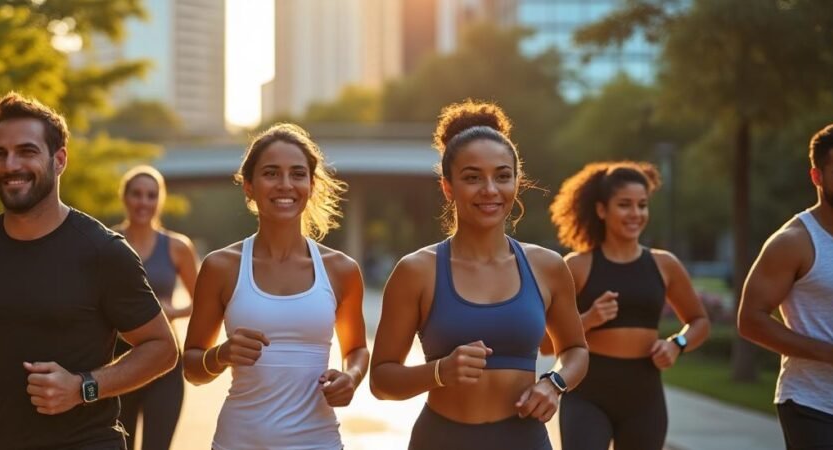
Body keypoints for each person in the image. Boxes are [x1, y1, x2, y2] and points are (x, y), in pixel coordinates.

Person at [0, 92, 178, 449]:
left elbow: (162, 348)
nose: (10, 165)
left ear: (59, 159)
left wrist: (84, 388)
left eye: (27, 151)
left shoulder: (103, 252)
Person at [368, 101, 588, 450]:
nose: (490, 190)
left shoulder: (547, 266)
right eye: (472, 177)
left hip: (524, 441)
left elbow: (575, 349)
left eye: (502, 176)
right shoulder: (416, 271)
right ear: (448, 188)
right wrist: (440, 372)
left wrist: (554, 382)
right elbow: (381, 381)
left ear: (517, 181)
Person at [181, 123, 369, 450]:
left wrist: (350, 377)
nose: (285, 185)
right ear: (249, 187)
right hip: (238, 441)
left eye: (297, 174)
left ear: (311, 185)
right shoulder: (220, 267)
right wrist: (221, 355)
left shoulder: (341, 270)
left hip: (318, 442)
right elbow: (193, 367)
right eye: (271, 173)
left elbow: (356, 350)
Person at [547, 161, 710, 450]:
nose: (635, 214)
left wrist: (677, 343)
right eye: (624, 205)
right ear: (601, 210)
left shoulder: (665, 264)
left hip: (644, 396)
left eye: (642, 205)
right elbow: (544, 345)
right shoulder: (578, 266)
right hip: (587, 392)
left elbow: (699, 321)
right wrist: (588, 319)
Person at [738, 123, 833, 450]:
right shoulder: (794, 242)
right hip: (814, 404)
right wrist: (829, 354)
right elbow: (750, 320)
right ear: (817, 177)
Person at [112, 165, 199, 450]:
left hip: (165, 362)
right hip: (116, 363)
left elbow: (203, 302)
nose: (143, 202)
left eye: (151, 195)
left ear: (159, 200)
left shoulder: (177, 247)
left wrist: (172, 312)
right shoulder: (107, 243)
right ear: (124, 197)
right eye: (136, 194)